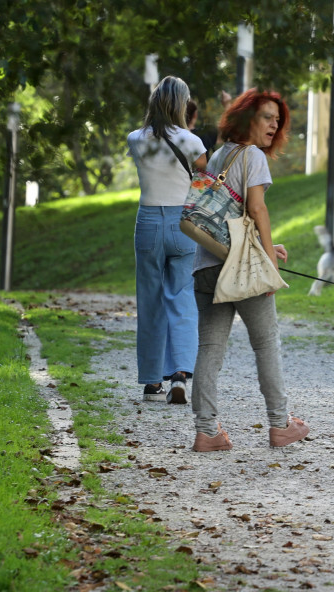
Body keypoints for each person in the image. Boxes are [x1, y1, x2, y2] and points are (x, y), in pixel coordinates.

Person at [190, 89, 309, 451]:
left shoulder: (219, 155)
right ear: (247, 120)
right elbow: (256, 210)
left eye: (278, 119)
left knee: (209, 348)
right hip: (240, 271)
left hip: (207, 264)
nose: (274, 124)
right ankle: (280, 424)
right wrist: (269, 265)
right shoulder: (253, 156)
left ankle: (207, 431)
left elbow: (225, 219)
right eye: (267, 117)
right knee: (266, 344)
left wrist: (263, 248)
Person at [127, 76, 208, 404]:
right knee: (183, 297)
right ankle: (180, 375)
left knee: (150, 301)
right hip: (183, 225)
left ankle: (151, 381)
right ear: (181, 104)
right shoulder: (192, 141)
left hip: (148, 223)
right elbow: (204, 177)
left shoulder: (135, 139)